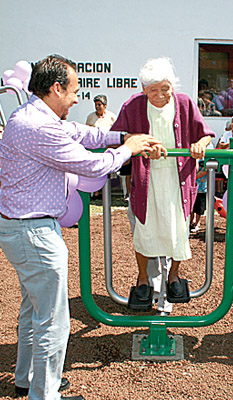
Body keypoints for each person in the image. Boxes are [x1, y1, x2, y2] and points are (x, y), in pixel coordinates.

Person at [0, 54, 162, 400]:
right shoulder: (38, 126)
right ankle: (45, 395)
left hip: (25, 230)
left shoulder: (32, 116)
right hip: (33, 233)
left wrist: (125, 135)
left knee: (34, 310)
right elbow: (89, 165)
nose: (77, 98)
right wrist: (128, 149)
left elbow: (85, 133)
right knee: (54, 322)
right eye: (74, 91)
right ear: (56, 88)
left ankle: (28, 379)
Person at [111, 57, 214, 304]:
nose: (159, 95)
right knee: (145, 230)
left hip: (178, 179)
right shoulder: (133, 105)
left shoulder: (185, 103)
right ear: (143, 89)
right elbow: (117, 137)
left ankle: (174, 277)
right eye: (153, 90)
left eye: (165, 88)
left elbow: (206, 134)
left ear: (172, 86)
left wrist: (200, 144)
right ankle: (143, 279)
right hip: (147, 180)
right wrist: (140, 145)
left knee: (178, 229)